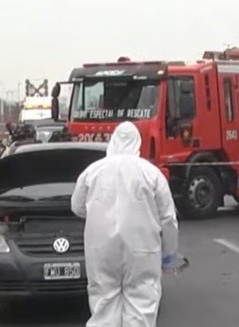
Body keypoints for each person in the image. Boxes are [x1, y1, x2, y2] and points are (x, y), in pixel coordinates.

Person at [71, 122, 178, 327]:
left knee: (104, 303)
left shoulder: (92, 171)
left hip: (101, 249)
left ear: (113, 141)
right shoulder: (151, 173)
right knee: (141, 304)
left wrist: (97, 213)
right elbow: (168, 218)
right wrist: (168, 254)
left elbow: (77, 206)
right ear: (138, 142)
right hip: (143, 249)